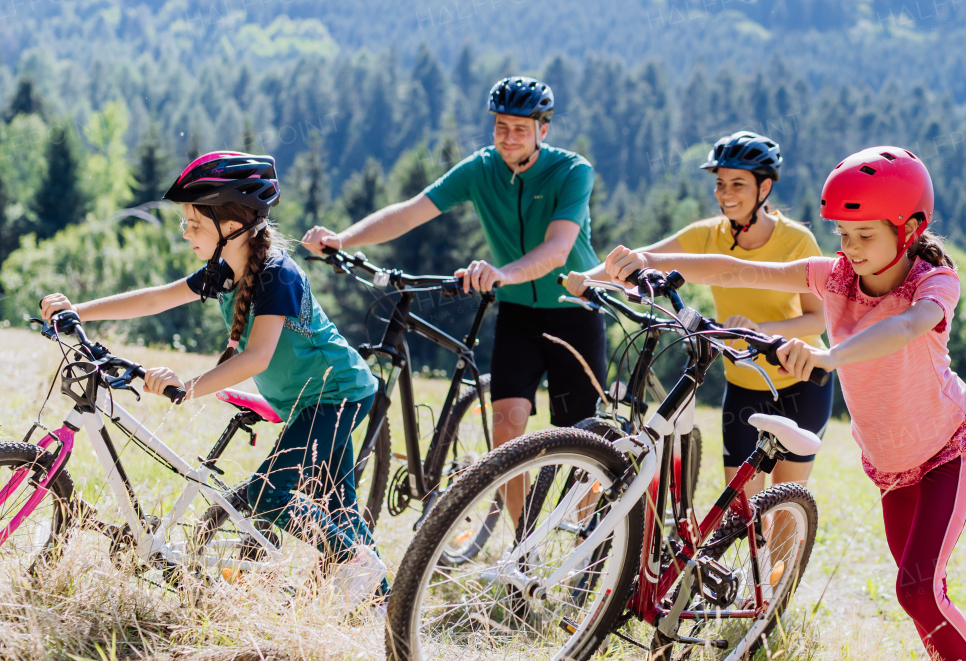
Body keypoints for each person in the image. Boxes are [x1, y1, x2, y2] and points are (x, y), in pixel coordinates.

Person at [604, 146, 966, 661]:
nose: (850, 249)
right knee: (918, 594)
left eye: (866, 235)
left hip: (947, 450)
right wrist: (650, 260)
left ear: (911, 228)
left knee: (918, 591)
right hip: (892, 464)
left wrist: (829, 356)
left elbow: (904, 327)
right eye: (844, 236)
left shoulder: (933, 283)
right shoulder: (834, 278)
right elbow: (735, 270)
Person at [39, 151, 388, 611]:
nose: (186, 234)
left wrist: (188, 386)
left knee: (269, 495)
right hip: (312, 401)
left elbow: (257, 357)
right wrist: (79, 310)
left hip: (337, 395)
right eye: (185, 222)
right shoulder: (223, 274)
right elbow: (155, 300)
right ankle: (383, 601)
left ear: (234, 225)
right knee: (338, 507)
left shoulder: (277, 275)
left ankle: (353, 560)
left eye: (194, 224)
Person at [301, 76, 606, 490]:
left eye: (520, 129)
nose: (508, 137)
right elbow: (410, 212)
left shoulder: (572, 171)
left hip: (574, 311)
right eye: (501, 126)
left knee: (579, 442)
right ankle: (521, 547)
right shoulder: (482, 168)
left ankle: (581, 544)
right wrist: (343, 238)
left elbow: (557, 249)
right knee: (506, 437)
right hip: (518, 315)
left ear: (543, 130)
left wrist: (503, 274)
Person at [567, 130, 830, 498]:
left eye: (738, 183)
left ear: (765, 187)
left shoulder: (797, 241)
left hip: (800, 384)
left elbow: (817, 320)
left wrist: (761, 329)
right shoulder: (708, 235)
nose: (725, 193)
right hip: (743, 385)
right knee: (739, 509)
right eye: (720, 183)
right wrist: (586, 278)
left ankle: (783, 558)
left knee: (784, 500)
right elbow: (647, 254)